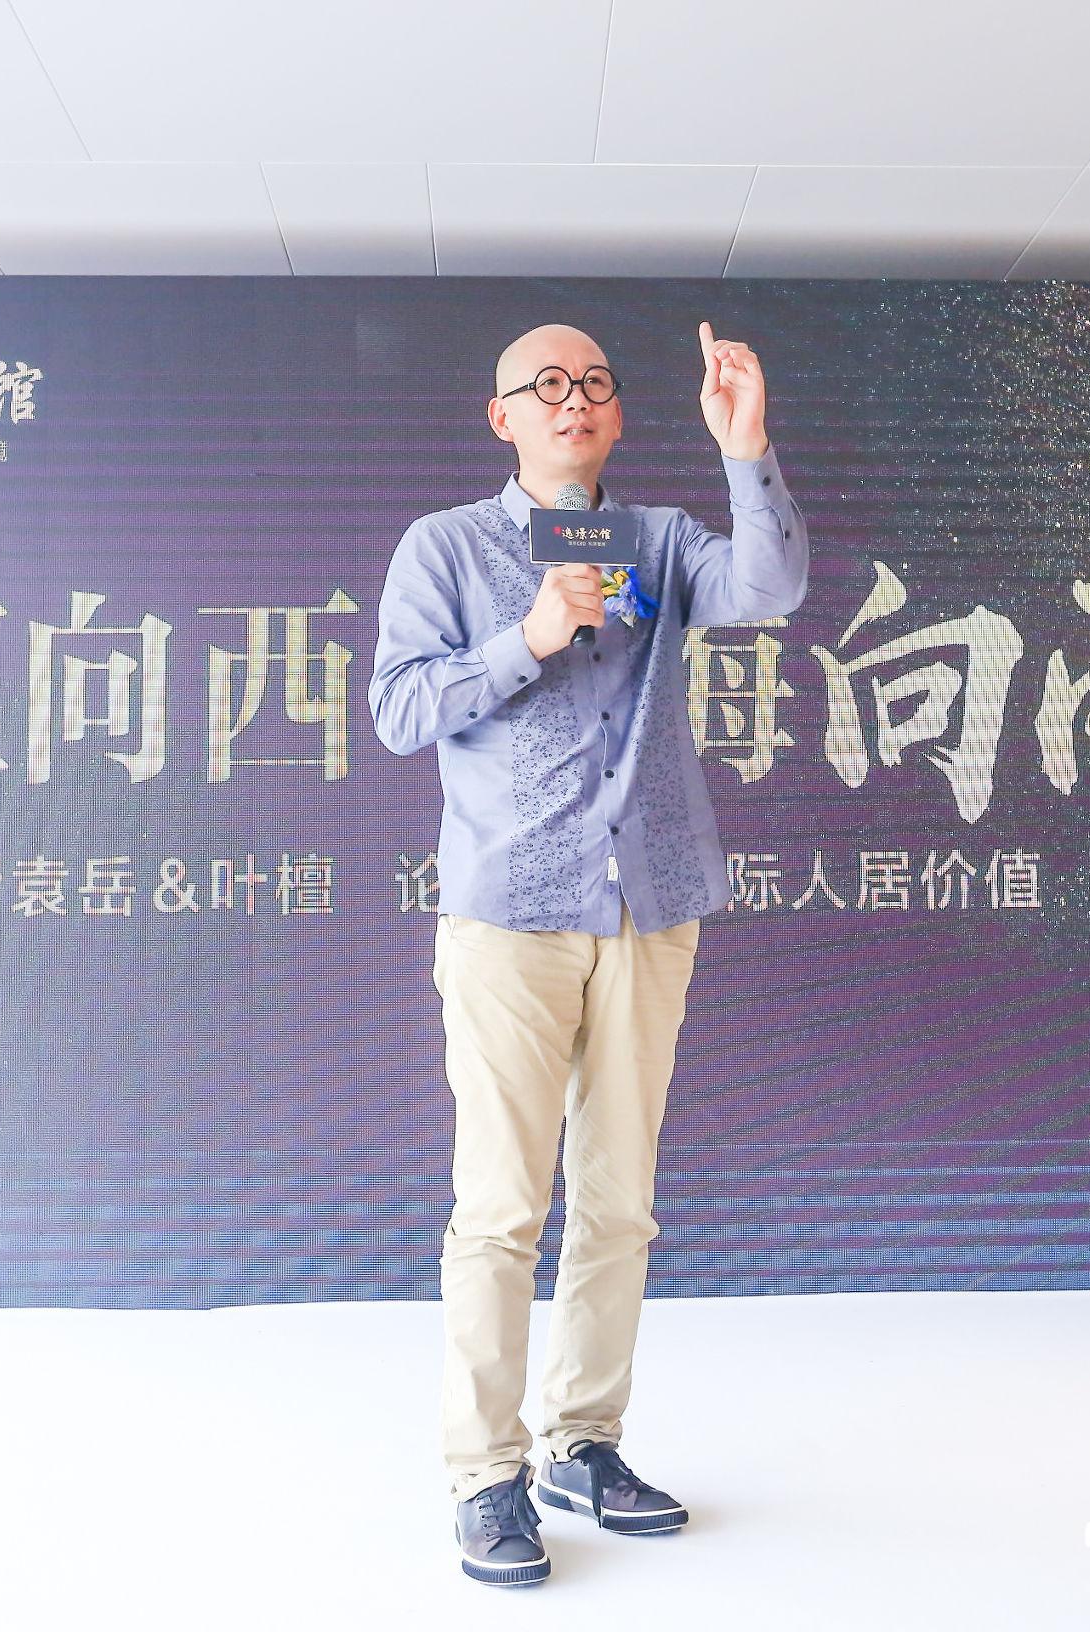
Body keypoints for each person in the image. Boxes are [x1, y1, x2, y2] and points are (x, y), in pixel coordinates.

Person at [368, 318, 808, 1587]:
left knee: (619, 1202)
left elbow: (771, 589)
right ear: (501, 415)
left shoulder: (658, 540)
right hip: (509, 913)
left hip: (648, 901)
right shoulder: (444, 546)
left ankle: (583, 1443)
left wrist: (746, 447)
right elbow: (398, 709)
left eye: (596, 386)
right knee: (502, 1207)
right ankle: (485, 1473)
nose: (574, 402)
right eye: (547, 386)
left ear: (615, 416)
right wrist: (528, 635)